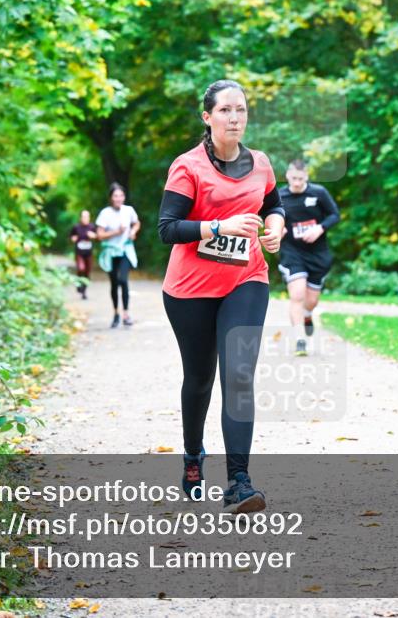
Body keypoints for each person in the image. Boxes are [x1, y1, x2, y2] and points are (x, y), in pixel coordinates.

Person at [158, 80, 284, 514]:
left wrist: (277, 225)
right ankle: (193, 455)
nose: (235, 118)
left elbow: (274, 204)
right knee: (199, 380)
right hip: (190, 289)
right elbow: (167, 228)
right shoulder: (188, 167)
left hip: (246, 279)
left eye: (242, 110)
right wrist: (219, 227)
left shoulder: (262, 163)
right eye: (226, 110)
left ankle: (239, 482)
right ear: (207, 117)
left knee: (239, 375)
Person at [277, 160, 340, 356]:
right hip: (292, 252)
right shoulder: (279, 195)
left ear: (307, 177)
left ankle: (307, 315)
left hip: (317, 254)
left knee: (311, 301)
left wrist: (319, 228)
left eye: (301, 179)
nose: (296, 183)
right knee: (297, 295)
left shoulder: (318, 193)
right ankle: (300, 340)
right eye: (293, 178)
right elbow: (268, 215)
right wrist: (278, 226)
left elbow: (334, 215)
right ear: (288, 176)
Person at [96, 183, 140, 328]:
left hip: (125, 250)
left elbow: (136, 223)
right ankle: (116, 313)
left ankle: (126, 314)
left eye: (121, 195)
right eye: (115, 196)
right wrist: (117, 232)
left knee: (123, 280)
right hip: (110, 251)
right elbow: (100, 235)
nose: (118, 198)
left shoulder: (129, 210)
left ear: (124, 197)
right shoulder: (105, 213)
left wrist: (133, 232)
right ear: (110, 198)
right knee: (114, 283)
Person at [69, 210, 97, 300]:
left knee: (87, 272)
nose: (86, 218)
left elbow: (98, 237)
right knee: (81, 269)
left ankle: (84, 291)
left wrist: (94, 236)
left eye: (87, 216)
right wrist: (73, 238)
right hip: (79, 253)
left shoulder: (92, 227)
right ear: (81, 218)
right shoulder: (76, 227)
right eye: (84, 217)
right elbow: (71, 236)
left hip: (88, 253)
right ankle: (79, 283)